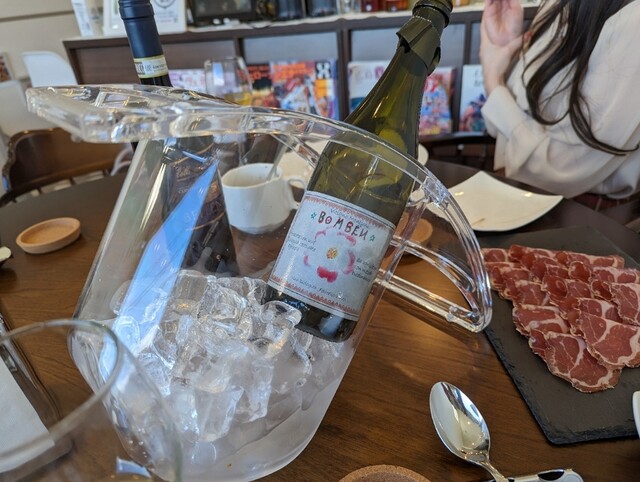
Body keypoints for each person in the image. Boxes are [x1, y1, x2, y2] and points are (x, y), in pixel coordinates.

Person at [479, 0, 640, 210]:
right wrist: (507, 54)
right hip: (519, 193)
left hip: (582, 214)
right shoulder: (558, 5)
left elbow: (561, 170)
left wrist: (493, 81)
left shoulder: (633, 22)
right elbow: (499, 129)